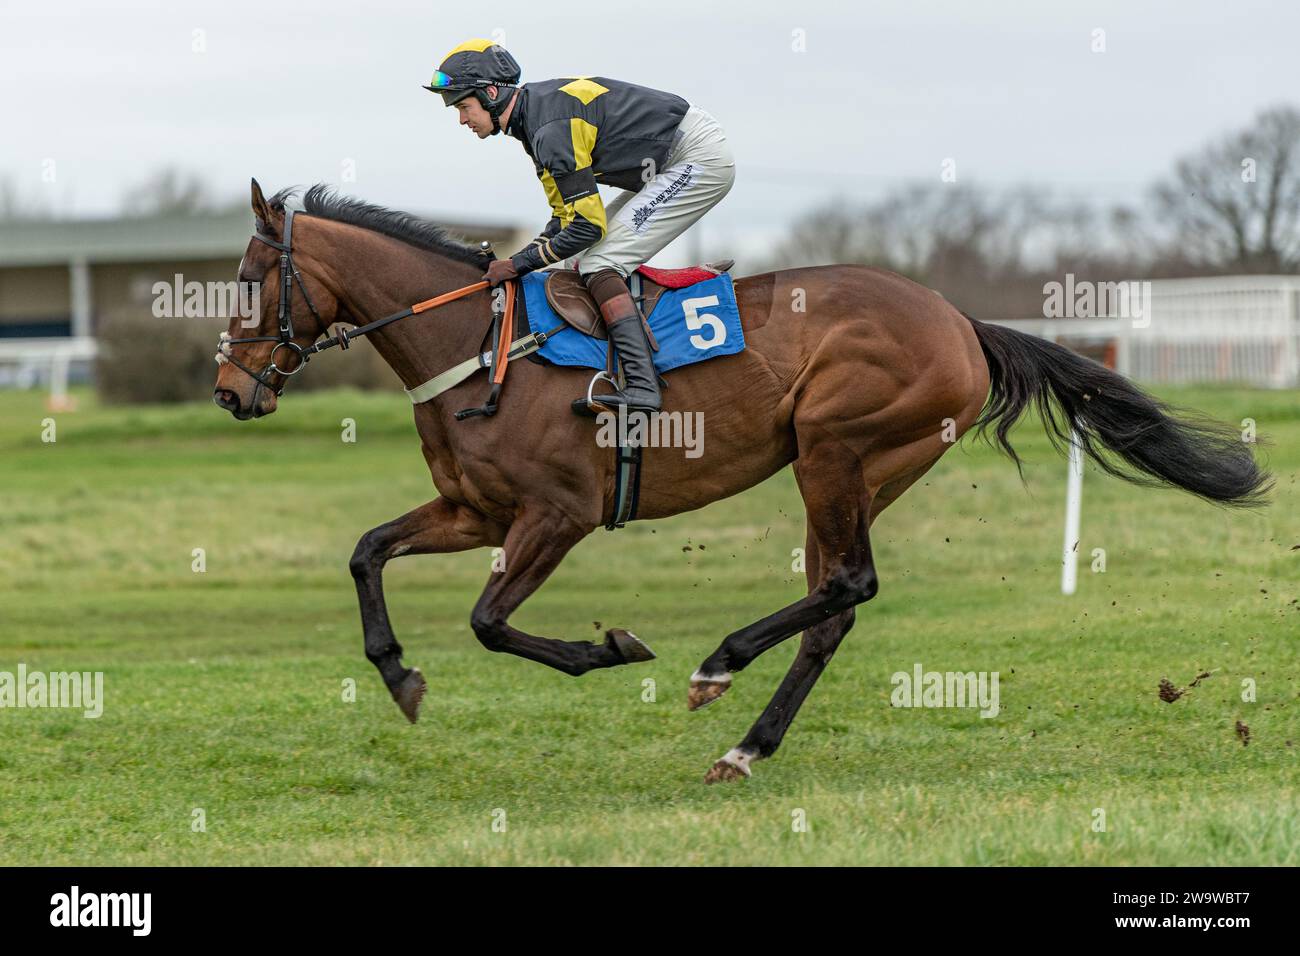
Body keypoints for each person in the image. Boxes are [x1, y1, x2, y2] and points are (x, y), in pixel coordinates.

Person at [425, 39, 735, 411]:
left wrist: (520, 264)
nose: (462, 120)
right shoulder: (533, 124)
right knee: (580, 260)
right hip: (668, 160)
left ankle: (643, 385)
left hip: (696, 158)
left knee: (599, 262)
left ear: (491, 93)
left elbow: (588, 227)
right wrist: (517, 260)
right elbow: (563, 219)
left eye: (463, 106)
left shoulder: (550, 130)